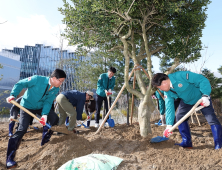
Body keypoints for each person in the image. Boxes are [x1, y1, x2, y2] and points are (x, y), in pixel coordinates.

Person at [5, 68, 66, 169]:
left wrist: (44, 115)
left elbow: (48, 101)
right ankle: (10, 159)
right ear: (54, 78)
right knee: (22, 129)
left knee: (54, 119)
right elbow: (20, 84)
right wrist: (13, 95)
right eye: (61, 81)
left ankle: (45, 141)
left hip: (40, 107)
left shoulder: (56, 88)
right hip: (26, 106)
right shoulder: (37, 79)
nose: (61, 83)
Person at [152, 71, 222, 150]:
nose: (160, 89)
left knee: (211, 119)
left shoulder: (181, 76)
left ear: (164, 82)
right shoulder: (167, 91)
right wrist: (169, 126)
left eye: (159, 87)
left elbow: (202, 80)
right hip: (186, 102)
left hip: (201, 98)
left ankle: (219, 144)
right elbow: (169, 107)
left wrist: (205, 95)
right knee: (180, 117)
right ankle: (187, 142)